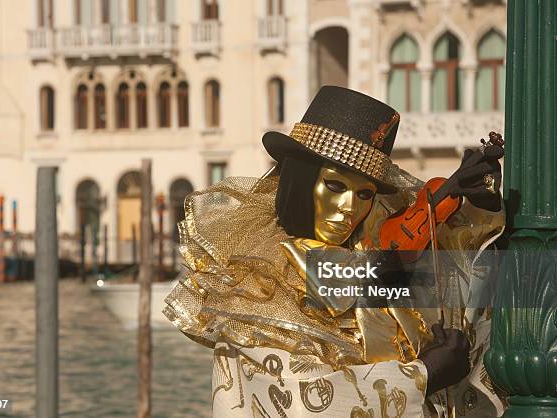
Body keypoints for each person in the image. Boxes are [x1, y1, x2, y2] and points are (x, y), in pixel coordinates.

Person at [164, 86, 506, 417]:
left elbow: (465, 296)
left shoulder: (373, 263)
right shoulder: (257, 281)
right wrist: (423, 377)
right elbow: (297, 402)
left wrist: (479, 203)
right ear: (301, 180)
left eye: (364, 195)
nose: (348, 208)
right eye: (335, 186)